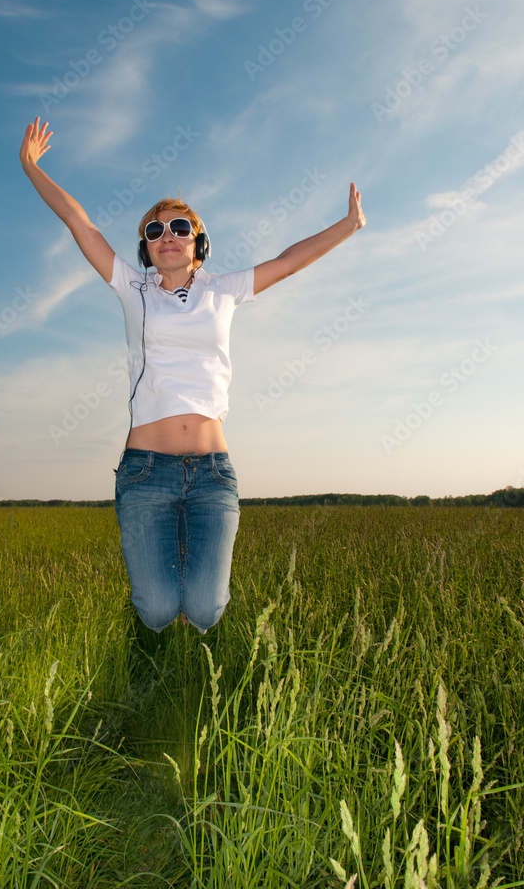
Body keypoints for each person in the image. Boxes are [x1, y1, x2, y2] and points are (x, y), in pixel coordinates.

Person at [20, 116, 366, 636]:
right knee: (157, 613)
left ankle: (189, 581)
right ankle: (160, 588)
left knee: (204, 611)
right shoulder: (133, 289)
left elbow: (289, 260)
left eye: (180, 228)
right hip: (145, 473)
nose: (168, 236)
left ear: (199, 241)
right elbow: (81, 225)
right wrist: (31, 168)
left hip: (212, 474)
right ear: (145, 248)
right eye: (155, 230)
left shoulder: (224, 290)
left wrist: (348, 225)